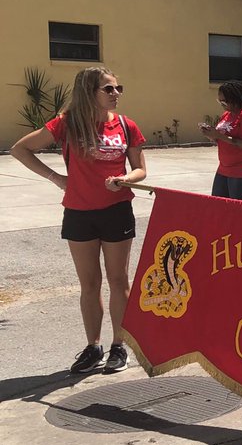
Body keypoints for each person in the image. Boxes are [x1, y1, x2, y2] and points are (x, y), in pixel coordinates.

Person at [10, 67, 147, 374]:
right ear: (89, 92)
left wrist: (125, 178)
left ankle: (118, 346)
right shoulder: (67, 123)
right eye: (109, 89)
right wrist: (56, 178)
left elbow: (140, 170)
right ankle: (93, 347)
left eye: (118, 88)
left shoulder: (126, 125)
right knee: (89, 284)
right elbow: (20, 149)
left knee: (118, 281)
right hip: (79, 213)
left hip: (116, 211)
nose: (116, 95)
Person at [200, 80, 242, 200]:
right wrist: (212, 135)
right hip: (224, 168)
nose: (221, 104)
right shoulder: (226, 115)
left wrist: (219, 135)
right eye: (219, 101)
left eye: (223, 101)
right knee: (218, 205)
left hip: (241, 169)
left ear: (234, 99)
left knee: (236, 210)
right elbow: (222, 139)